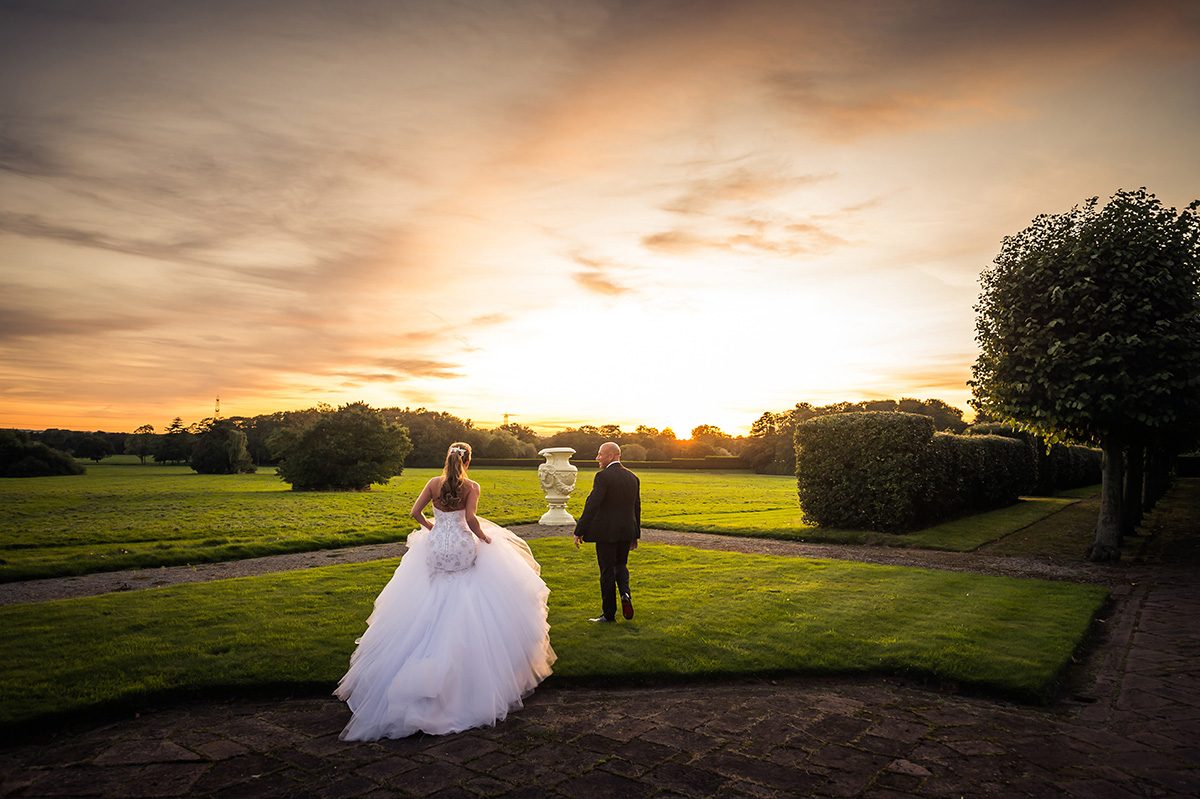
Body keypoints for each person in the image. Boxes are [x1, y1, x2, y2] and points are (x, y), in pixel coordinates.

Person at [335, 442, 556, 740]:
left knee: (435, 588)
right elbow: (472, 520)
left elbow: (415, 512)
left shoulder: (432, 483)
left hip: (437, 547)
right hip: (462, 547)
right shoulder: (472, 486)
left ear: (447, 459)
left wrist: (433, 529)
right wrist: (483, 539)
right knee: (467, 585)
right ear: (468, 461)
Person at [573, 441, 641, 623]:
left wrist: (579, 530)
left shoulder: (602, 477)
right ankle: (625, 594)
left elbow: (592, 505)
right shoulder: (633, 477)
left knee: (607, 572)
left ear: (611, 456)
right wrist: (636, 534)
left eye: (600, 454)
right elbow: (636, 508)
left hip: (606, 533)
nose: (597, 458)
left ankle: (608, 615)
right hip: (626, 531)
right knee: (621, 566)